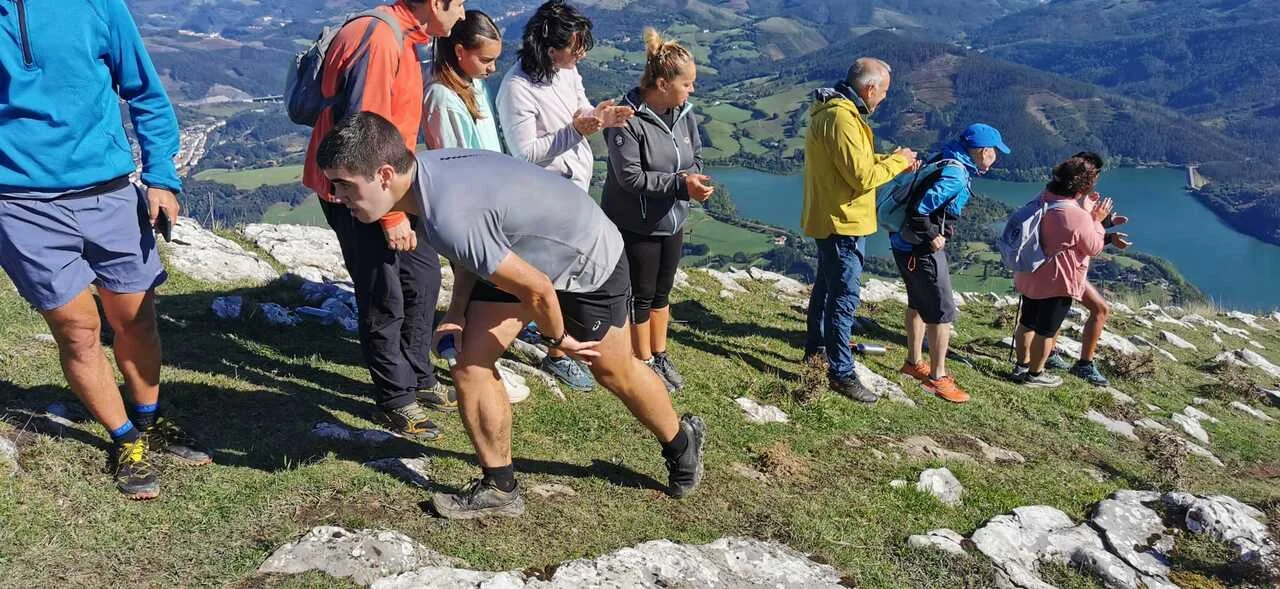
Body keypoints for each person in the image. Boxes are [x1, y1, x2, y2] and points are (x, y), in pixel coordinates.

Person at [317, 112, 706, 519]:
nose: (337, 196)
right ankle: (500, 488)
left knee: (613, 369)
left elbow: (537, 288)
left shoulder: (446, 211)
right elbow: (472, 253)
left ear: (383, 174)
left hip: (585, 257)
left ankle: (682, 443)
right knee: (469, 364)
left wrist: (558, 340)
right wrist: (457, 312)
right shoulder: (423, 179)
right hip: (521, 252)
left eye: (344, 184)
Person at [0, 0, 207, 499]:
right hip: (19, 203)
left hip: (109, 192)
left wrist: (162, 178)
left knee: (136, 319)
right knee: (77, 330)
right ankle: (126, 438)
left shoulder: (97, 4)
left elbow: (145, 92)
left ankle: (149, 418)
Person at [301, 0, 466, 438]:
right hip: (358, 193)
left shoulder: (402, 36)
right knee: (384, 295)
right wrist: (390, 215)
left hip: (393, 188)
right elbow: (364, 133)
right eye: (459, 3)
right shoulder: (380, 38)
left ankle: (418, 376)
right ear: (436, 3)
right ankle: (396, 399)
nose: (463, 15)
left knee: (422, 277)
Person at [496, 0, 635, 392]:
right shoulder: (517, 88)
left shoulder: (566, 71)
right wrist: (577, 131)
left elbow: (579, 108)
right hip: (544, 196)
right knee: (553, 273)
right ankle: (555, 352)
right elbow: (526, 153)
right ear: (549, 47)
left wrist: (600, 116)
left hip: (573, 188)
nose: (581, 54)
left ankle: (549, 339)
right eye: (575, 47)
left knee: (560, 271)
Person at [801, 57, 919, 402]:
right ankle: (840, 372)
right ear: (869, 89)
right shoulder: (842, 118)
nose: (884, 98)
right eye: (883, 92)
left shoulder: (835, 112)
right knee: (843, 298)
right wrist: (897, 162)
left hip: (831, 217)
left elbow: (853, 164)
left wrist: (893, 160)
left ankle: (816, 351)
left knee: (826, 290)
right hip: (844, 222)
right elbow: (862, 177)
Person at [601, 29, 713, 392]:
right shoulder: (626, 118)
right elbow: (630, 178)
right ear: (663, 84)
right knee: (642, 294)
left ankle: (659, 353)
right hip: (638, 223)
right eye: (687, 84)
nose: (692, 90)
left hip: (672, 219)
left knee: (663, 292)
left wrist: (693, 179)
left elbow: (696, 155)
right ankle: (643, 361)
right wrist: (682, 185)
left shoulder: (684, 114)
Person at [891, 124, 1010, 404]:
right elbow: (919, 210)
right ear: (983, 151)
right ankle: (937, 378)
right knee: (942, 312)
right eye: (994, 151)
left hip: (903, 244)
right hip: (921, 249)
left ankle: (913, 363)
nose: (996, 157)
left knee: (917, 304)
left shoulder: (945, 157)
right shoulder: (956, 175)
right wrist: (933, 235)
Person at [1011, 155, 1112, 387]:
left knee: (1027, 322)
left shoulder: (1043, 198)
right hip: (1058, 282)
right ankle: (1035, 375)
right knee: (1046, 331)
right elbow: (1094, 247)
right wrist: (1097, 220)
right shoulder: (1076, 216)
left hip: (1030, 274)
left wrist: (1086, 211)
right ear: (1083, 186)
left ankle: (1021, 366)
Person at [1042, 152, 1132, 387]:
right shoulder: (1070, 202)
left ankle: (1050, 354)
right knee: (1100, 309)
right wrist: (1101, 224)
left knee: (1058, 311)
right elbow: (1090, 244)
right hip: (1066, 269)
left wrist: (1106, 223)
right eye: (1094, 177)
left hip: (1054, 266)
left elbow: (1077, 230)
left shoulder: (1054, 194)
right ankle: (1083, 364)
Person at [421, 10, 503, 152]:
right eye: (485, 60)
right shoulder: (443, 98)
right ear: (459, 51)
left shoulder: (475, 79)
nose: (493, 68)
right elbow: (455, 158)